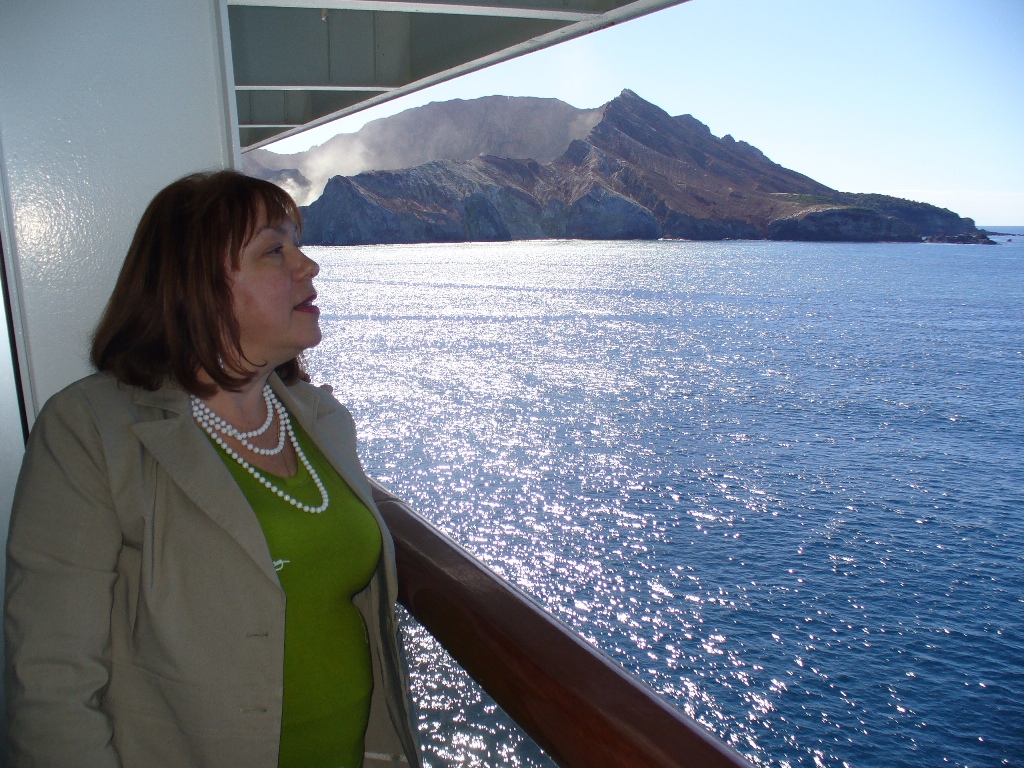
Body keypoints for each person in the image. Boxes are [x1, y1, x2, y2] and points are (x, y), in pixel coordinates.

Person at [4, 170, 422, 768]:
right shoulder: (89, 431)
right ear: (197, 284)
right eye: (274, 251)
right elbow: (50, 678)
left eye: (298, 246)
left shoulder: (320, 419)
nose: (308, 266)